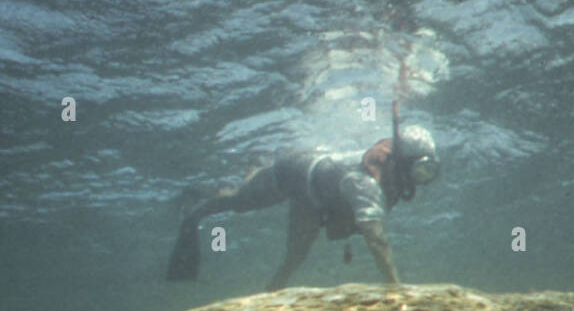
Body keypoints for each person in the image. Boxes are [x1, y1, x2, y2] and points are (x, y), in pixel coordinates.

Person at [166, 107, 440, 289]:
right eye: (419, 170)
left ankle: (269, 297)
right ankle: (197, 209)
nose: (420, 179)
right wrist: (395, 287)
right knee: (239, 202)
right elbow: (376, 239)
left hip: (314, 196)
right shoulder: (366, 183)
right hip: (293, 172)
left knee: (295, 258)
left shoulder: (384, 173)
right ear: (402, 163)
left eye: (428, 171)